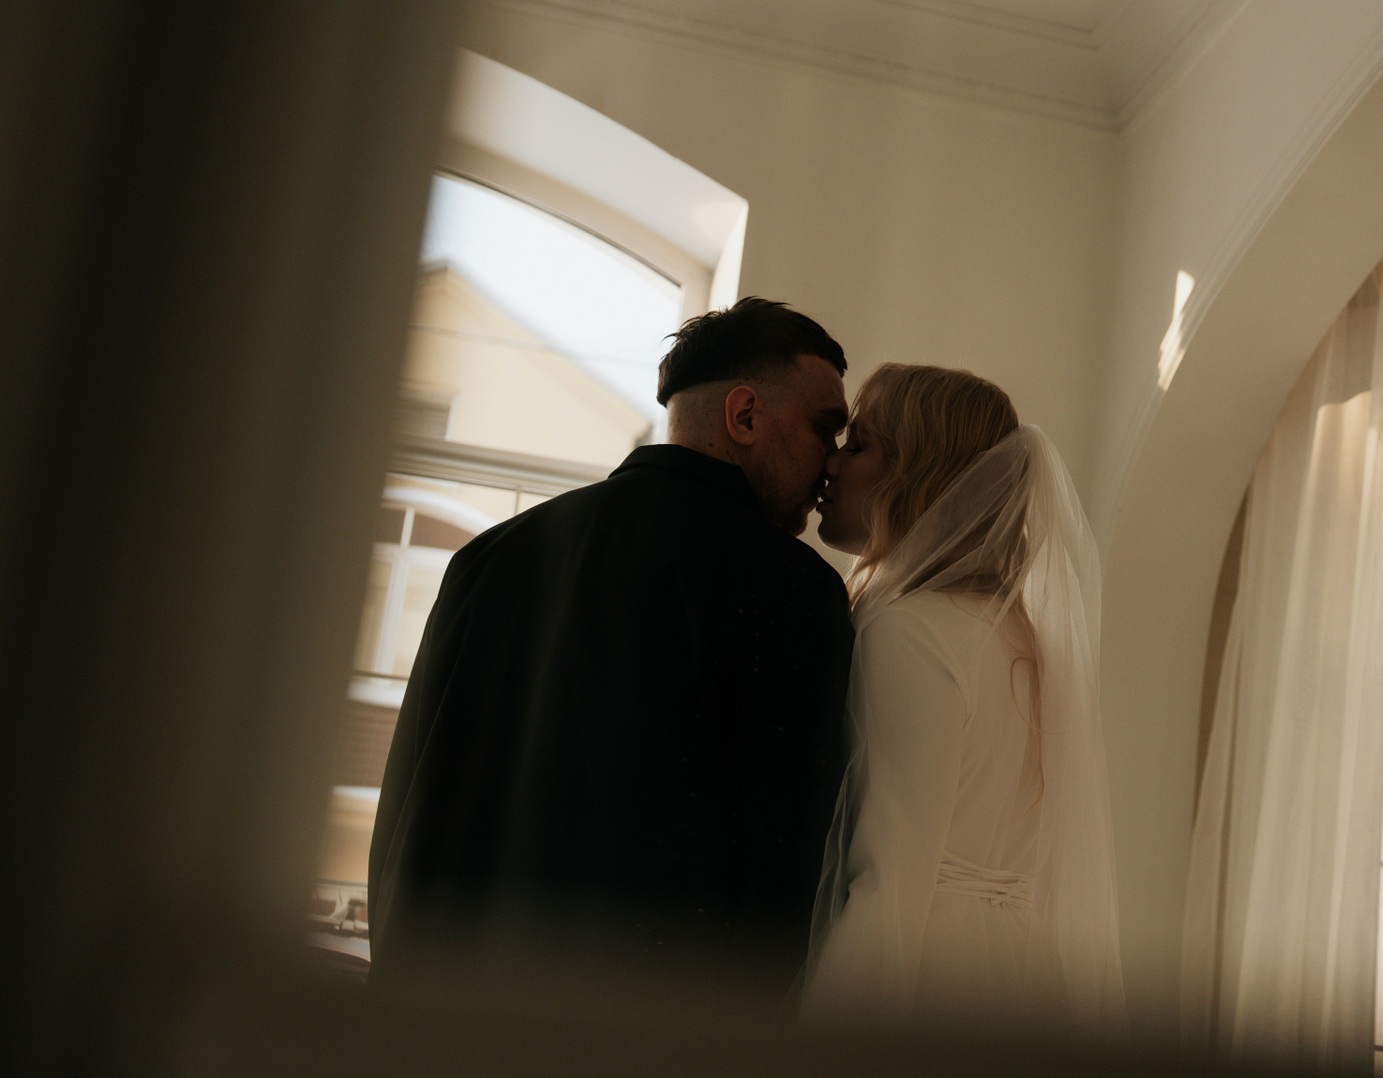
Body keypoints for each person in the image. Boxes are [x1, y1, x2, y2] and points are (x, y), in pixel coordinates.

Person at [369, 298, 854, 990]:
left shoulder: (488, 558)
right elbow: (783, 857)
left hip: (450, 1006)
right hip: (640, 1023)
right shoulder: (788, 586)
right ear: (744, 416)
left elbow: (407, 805)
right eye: (824, 429)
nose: (831, 464)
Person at [803, 364, 1126, 1033]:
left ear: (915, 474)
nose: (830, 464)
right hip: (1018, 970)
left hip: (924, 970)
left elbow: (892, 874)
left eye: (858, 446)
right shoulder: (1019, 634)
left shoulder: (908, 630)